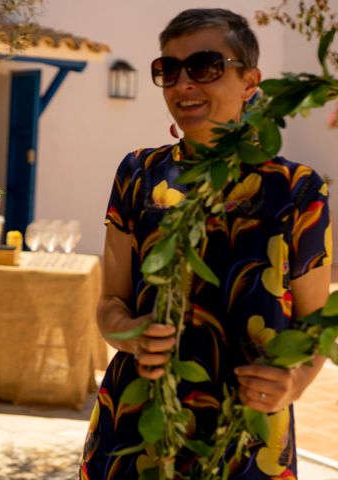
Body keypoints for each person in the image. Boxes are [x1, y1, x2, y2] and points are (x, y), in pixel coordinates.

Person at [81, 8, 331, 479]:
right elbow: (110, 302)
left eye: (205, 66)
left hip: (248, 433)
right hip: (140, 422)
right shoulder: (138, 173)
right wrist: (129, 333)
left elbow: (316, 324)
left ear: (250, 81)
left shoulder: (297, 189)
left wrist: (295, 382)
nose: (182, 84)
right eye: (168, 70)